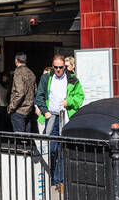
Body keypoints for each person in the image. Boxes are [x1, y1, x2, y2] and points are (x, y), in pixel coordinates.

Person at [34, 53, 84, 189]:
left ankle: (59, 180)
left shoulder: (72, 79)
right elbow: (39, 96)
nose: (57, 70)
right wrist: (45, 112)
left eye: (60, 67)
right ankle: (45, 177)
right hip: (52, 117)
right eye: (55, 67)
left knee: (62, 150)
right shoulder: (46, 78)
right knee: (49, 149)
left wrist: (69, 102)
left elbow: (80, 97)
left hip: (66, 117)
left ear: (64, 67)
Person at [7, 53, 37, 134]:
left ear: (16, 61)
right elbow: (35, 91)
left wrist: (11, 107)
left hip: (19, 110)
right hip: (28, 110)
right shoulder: (31, 73)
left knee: (19, 139)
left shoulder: (18, 72)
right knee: (27, 138)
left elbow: (20, 92)